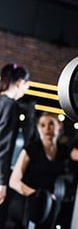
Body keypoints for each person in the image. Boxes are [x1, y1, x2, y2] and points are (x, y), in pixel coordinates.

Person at [8, 112, 78, 229]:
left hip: (47, 208)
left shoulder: (63, 150)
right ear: (38, 129)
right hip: (25, 206)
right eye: (42, 125)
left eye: (51, 124)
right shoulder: (31, 149)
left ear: (60, 125)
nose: (47, 129)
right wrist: (38, 195)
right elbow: (14, 181)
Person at [0, 64, 30, 229]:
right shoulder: (10, 105)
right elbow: (3, 146)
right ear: (19, 82)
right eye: (26, 85)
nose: (25, 90)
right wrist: (2, 183)